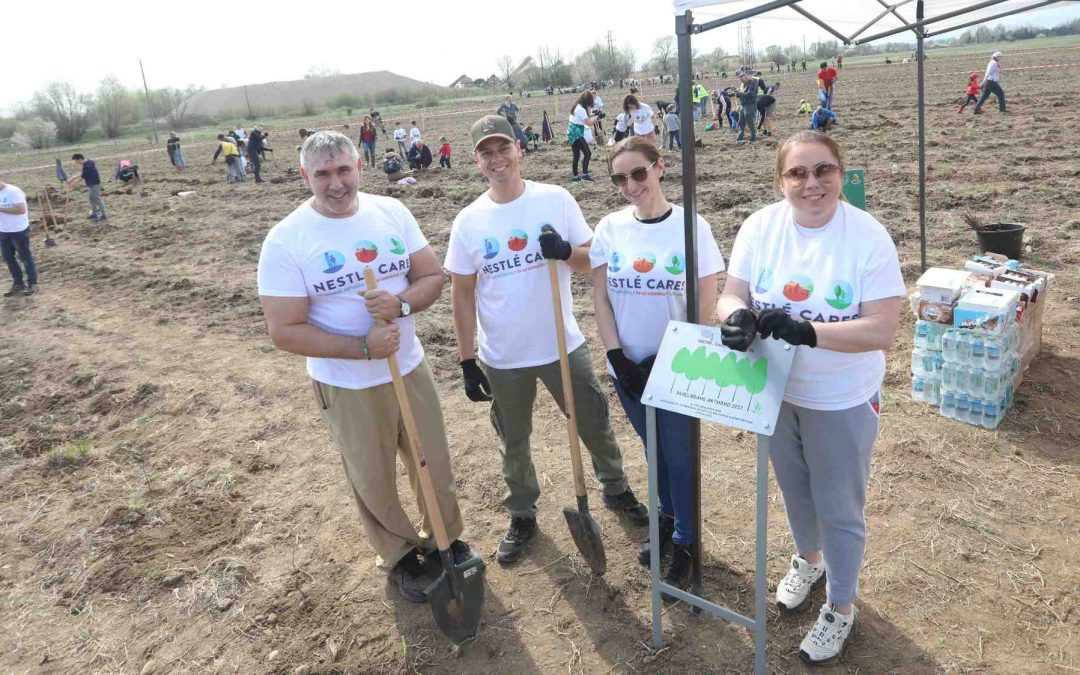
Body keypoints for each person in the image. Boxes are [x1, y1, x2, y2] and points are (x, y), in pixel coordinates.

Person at [256, 130, 476, 604]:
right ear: (304, 176)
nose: (335, 183)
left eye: (342, 170)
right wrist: (361, 347)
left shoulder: (390, 212)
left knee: (431, 460)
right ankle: (399, 555)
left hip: (409, 367)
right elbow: (284, 330)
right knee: (371, 476)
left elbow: (432, 277)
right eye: (322, 174)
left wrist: (398, 306)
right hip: (348, 383)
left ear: (359, 166)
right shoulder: (287, 239)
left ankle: (446, 540)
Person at [716, 131, 903, 666]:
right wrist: (735, 317)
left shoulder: (867, 237)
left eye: (823, 170)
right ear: (781, 181)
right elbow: (733, 291)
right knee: (795, 489)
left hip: (841, 397)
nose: (811, 183)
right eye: (797, 174)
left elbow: (882, 329)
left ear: (840, 174)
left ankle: (840, 606)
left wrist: (809, 333)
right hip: (775, 390)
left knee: (840, 505)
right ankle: (809, 560)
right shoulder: (761, 225)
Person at [445, 115, 649, 565]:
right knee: (512, 438)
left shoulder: (555, 199)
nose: (497, 159)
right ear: (477, 160)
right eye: (486, 152)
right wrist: (466, 359)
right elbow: (461, 291)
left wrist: (565, 252)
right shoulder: (469, 221)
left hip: (562, 345)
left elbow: (591, 261)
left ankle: (615, 489)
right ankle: (521, 512)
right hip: (502, 355)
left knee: (594, 420)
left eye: (504, 148)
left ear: (520, 149)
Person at [591, 137, 723, 596]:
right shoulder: (609, 228)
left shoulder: (692, 227)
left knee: (680, 455)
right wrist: (615, 356)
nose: (630, 185)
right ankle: (667, 521)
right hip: (627, 369)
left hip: (676, 366)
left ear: (659, 167)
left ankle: (687, 541)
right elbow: (600, 297)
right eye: (620, 178)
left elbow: (705, 298)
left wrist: (672, 356)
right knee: (654, 452)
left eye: (638, 174)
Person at [0, 179, 36, 296]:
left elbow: (21, 210)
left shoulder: (13, 191)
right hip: (3, 231)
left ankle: (32, 283)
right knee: (8, 258)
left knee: (25, 257)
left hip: (18, 231)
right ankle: (18, 283)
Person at [567, 91, 596, 182]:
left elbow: (585, 116)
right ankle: (585, 175)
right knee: (587, 153)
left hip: (571, 132)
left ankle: (575, 177)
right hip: (576, 133)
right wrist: (597, 118)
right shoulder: (581, 109)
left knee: (576, 155)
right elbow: (589, 123)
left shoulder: (577, 105)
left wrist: (594, 114)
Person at [67, 154, 106, 221]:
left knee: (98, 200)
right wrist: (72, 178)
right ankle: (94, 214)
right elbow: (84, 173)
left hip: (94, 185)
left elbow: (82, 177)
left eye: (76, 161)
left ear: (80, 159)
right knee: (92, 200)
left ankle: (103, 215)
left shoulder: (87, 165)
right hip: (91, 185)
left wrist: (73, 184)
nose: (76, 163)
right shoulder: (88, 162)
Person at [735, 71, 760, 144]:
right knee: (741, 121)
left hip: (750, 104)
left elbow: (750, 94)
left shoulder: (753, 82)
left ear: (746, 76)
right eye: (740, 78)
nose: (741, 80)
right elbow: (743, 93)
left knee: (749, 120)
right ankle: (740, 138)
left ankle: (753, 137)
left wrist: (739, 94)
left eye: (742, 77)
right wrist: (737, 92)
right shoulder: (743, 84)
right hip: (743, 105)